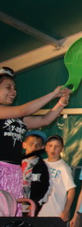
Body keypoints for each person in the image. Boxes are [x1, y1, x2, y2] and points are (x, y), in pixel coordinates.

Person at [0, 66, 70, 215]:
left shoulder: (18, 117)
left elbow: (45, 120)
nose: (13, 91)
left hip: (14, 172)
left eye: (15, 88)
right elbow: (24, 110)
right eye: (8, 87)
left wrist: (61, 103)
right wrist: (52, 94)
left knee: (11, 214)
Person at [39, 135, 75, 221]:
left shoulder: (63, 167)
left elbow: (71, 190)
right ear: (45, 147)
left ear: (61, 149)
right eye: (50, 146)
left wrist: (66, 211)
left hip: (55, 213)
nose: (53, 149)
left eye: (57, 146)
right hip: (38, 212)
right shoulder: (40, 164)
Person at [21, 130, 50, 215]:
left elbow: (45, 187)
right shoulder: (15, 162)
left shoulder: (42, 167)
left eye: (37, 145)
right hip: (12, 202)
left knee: (24, 222)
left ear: (42, 148)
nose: (34, 147)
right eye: (31, 144)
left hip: (28, 205)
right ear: (24, 145)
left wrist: (35, 203)